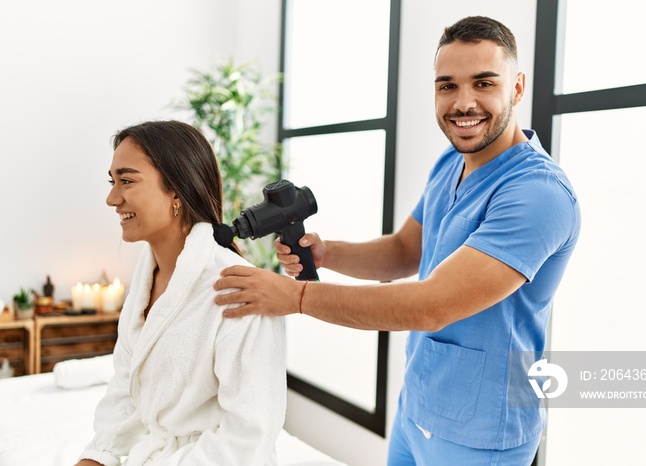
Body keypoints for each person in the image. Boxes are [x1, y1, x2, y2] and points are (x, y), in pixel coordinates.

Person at [214, 16, 581, 465]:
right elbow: (407, 250)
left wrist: (297, 297)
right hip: (419, 406)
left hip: (482, 434)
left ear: (518, 87)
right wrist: (328, 254)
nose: (463, 103)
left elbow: (431, 306)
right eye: (447, 86)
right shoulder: (452, 161)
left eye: (483, 83)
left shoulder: (537, 194)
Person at [75, 121, 286, 466]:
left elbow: (248, 437)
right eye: (112, 182)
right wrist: (97, 456)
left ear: (176, 191)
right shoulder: (147, 280)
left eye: (126, 181)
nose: (112, 198)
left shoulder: (240, 288)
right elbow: (127, 390)